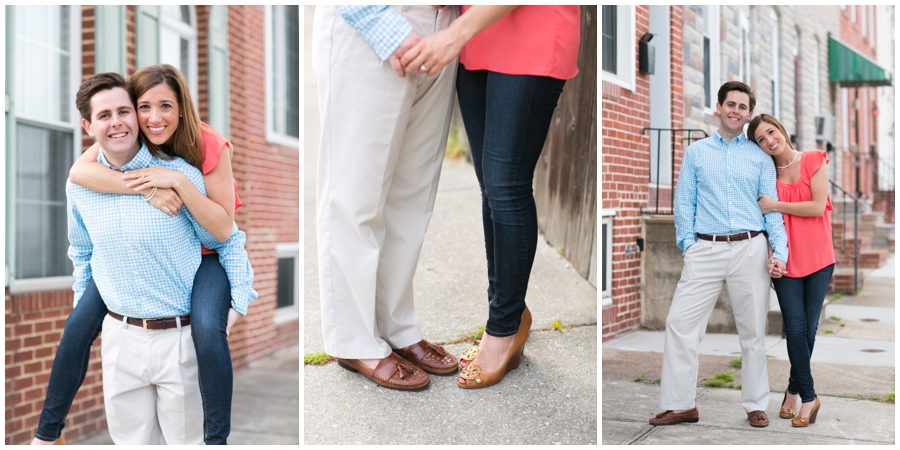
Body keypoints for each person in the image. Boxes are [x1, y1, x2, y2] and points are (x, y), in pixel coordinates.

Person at [32, 65, 251, 445]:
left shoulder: (200, 152)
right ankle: (46, 436)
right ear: (88, 127)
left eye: (124, 112)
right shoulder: (83, 182)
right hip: (122, 338)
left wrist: (239, 298)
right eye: (105, 116)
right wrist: (145, 188)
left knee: (208, 333)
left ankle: (218, 439)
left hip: (185, 309)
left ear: (180, 108)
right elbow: (82, 252)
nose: (151, 118)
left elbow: (225, 235)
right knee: (78, 329)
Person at [399, 5, 581, 389]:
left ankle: (502, 330)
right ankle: (511, 315)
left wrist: (454, 33)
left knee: (506, 185)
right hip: (477, 37)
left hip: (531, 29)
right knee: (492, 188)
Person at [312, 5, 463, 391]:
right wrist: (382, 23)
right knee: (355, 195)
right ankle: (354, 339)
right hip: (374, 19)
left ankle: (397, 326)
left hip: (444, 25)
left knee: (412, 194)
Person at [649, 81, 789, 428]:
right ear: (719, 107)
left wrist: (779, 250)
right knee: (680, 325)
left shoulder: (760, 156)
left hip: (750, 248)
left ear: (749, 113)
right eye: (730, 104)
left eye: (742, 107)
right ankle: (681, 405)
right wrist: (688, 245)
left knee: (753, 332)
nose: (735, 111)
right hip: (705, 248)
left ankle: (756, 404)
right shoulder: (697, 151)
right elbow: (684, 202)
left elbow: (771, 209)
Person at [749, 113, 834, 428]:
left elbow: (815, 206)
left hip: (820, 258)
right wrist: (773, 254)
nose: (770, 140)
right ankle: (809, 398)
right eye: (761, 139)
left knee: (808, 331)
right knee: (795, 331)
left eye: (771, 132)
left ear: (780, 130)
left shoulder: (813, 159)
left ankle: (793, 389)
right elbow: (765, 221)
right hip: (786, 262)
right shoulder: (765, 175)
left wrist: (776, 205)